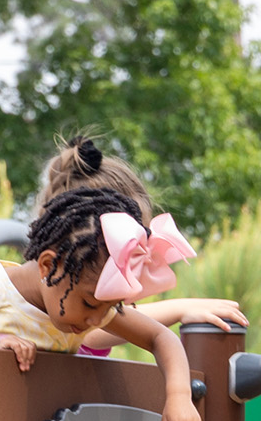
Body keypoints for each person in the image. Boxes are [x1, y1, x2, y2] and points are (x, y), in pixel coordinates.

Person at [0, 185, 207, 421]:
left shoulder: (88, 305)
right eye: (89, 304)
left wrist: (179, 396)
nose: (97, 320)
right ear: (49, 266)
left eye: (111, 307)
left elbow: (161, 337)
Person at [38, 136, 248, 347]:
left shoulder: (93, 304)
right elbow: (91, 334)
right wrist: (180, 308)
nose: (100, 315)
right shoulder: (57, 302)